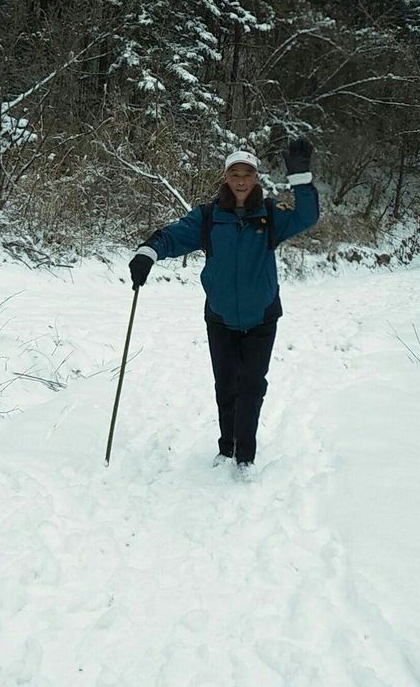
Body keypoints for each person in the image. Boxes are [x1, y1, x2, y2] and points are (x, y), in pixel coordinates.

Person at [128, 138, 319, 475]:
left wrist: (301, 177)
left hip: (261, 317)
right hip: (220, 317)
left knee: (252, 386)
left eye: (247, 173)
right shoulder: (208, 217)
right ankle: (226, 447)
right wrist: (148, 253)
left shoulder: (271, 215)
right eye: (235, 173)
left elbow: (307, 214)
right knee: (226, 385)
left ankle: (245, 455)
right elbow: (173, 236)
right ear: (226, 177)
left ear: (256, 178)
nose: (241, 180)